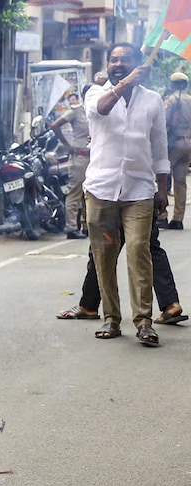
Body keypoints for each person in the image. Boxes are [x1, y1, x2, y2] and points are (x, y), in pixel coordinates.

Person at [83, 43, 169, 346]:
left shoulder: (153, 100)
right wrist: (124, 84)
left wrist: (164, 187)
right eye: (113, 60)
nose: (117, 64)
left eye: (124, 60)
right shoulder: (95, 93)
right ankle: (111, 319)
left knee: (138, 250)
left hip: (140, 190)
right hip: (101, 189)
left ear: (138, 63)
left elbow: (159, 146)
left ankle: (144, 322)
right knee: (104, 256)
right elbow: (101, 109)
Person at [56, 214, 186, 325]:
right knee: (148, 247)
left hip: (114, 199)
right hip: (140, 198)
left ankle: (88, 305)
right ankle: (170, 303)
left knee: (102, 250)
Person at [49, 84, 92, 239]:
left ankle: (87, 225)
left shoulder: (99, 111)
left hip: (94, 157)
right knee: (75, 193)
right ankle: (71, 228)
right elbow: (55, 125)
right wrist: (68, 146)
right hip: (80, 157)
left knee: (91, 193)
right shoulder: (77, 111)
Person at [164, 71, 191, 230]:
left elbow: (164, 122)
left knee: (163, 176)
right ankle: (178, 218)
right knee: (180, 181)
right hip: (188, 143)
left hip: (173, 144)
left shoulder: (172, 100)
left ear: (173, 84)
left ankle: (161, 215)